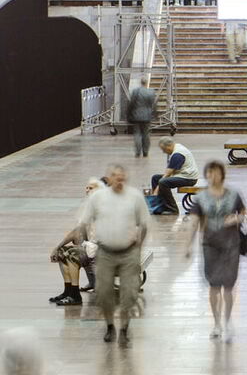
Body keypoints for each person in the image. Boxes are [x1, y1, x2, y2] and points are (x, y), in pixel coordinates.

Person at [79, 163, 149, 347]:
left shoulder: (134, 196)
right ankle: (110, 325)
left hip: (128, 252)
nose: (119, 179)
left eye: (121, 176)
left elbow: (144, 224)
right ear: (108, 178)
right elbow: (83, 222)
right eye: (115, 176)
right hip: (105, 252)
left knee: (129, 294)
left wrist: (139, 247)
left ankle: (124, 328)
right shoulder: (98, 198)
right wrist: (87, 242)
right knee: (103, 293)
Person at [186, 161, 247, 343]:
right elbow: (194, 222)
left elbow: (245, 214)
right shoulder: (201, 198)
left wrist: (237, 218)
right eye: (209, 173)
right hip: (210, 245)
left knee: (229, 285)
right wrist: (188, 244)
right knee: (214, 285)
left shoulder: (234, 195)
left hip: (231, 245)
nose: (212, 176)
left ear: (222, 174)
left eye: (216, 173)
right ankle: (216, 323)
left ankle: (228, 320)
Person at [47, 180, 103, 306]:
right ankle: (68, 292)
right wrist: (58, 247)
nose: (87, 190)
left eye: (91, 188)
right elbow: (76, 232)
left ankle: (76, 296)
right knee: (61, 253)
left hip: (102, 250)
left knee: (72, 254)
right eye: (86, 187)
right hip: (91, 248)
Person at [149, 138, 199, 216]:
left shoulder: (177, 154)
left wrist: (156, 190)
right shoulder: (176, 147)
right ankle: (160, 206)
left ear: (169, 146)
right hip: (181, 175)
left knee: (163, 182)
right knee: (155, 178)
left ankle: (172, 209)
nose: (163, 152)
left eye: (163, 149)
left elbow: (168, 174)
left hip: (189, 178)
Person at [125, 83, 157, 159]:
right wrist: (155, 114)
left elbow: (131, 104)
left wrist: (128, 114)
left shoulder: (135, 91)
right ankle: (145, 152)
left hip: (136, 116)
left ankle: (138, 152)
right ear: (146, 83)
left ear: (141, 83)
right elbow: (154, 105)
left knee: (137, 134)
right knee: (146, 134)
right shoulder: (151, 92)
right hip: (147, 116)